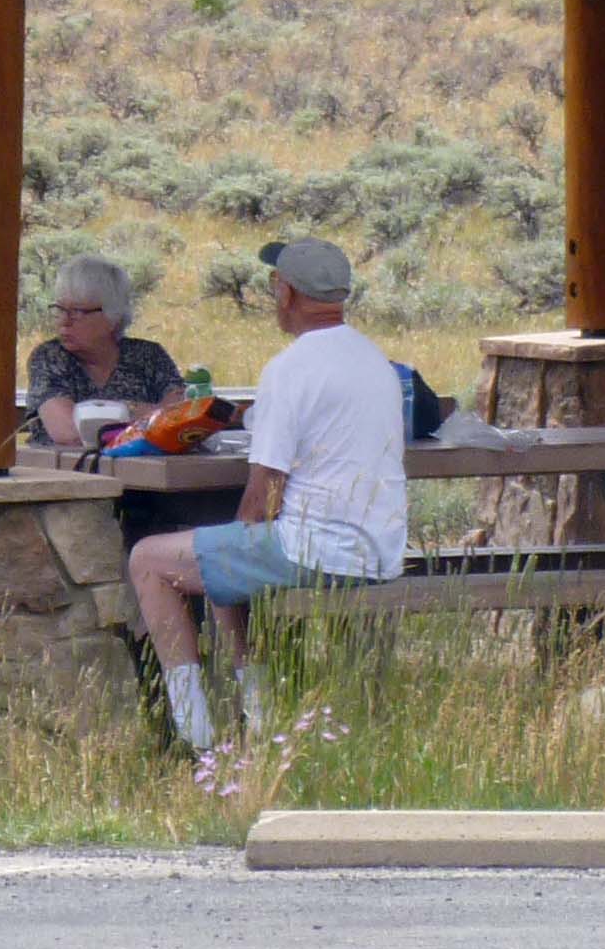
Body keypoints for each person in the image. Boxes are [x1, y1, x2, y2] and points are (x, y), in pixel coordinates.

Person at [125, 236, 405, 754]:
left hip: (317, 548)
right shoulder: (374, 361)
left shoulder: (289, 369)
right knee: (224, 555)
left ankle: (195, 735)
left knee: (150, 559)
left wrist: (239, 529)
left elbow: (264, 491)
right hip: (378, 547)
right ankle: (257, 714)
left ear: (287, 293)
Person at [26, 254, 184, 448]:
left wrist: (100, 415)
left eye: (77, 311)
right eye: (60, 309)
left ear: (113, 316)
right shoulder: (50, 357)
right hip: (65, 473)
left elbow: (180, 420)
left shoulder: (149, 356)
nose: (64, 321)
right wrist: (142, 412)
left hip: (142, 472)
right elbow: (69, 432)